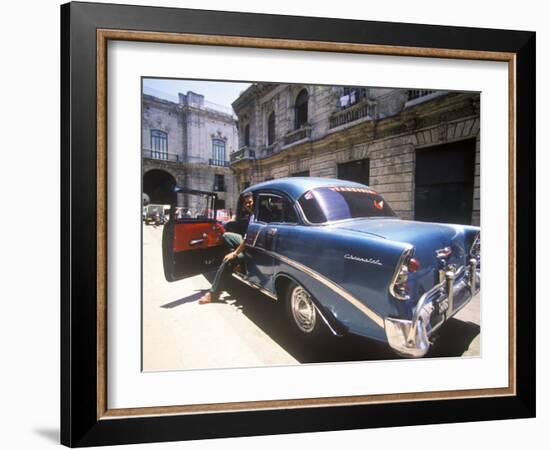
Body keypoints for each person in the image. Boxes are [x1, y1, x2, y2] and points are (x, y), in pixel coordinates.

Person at [198, 192, 254, 304]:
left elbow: (247, 239)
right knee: (226, 235)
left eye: (250, 201)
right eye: (246, 203)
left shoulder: (255, 217)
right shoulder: (252, 215)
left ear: (254, 201)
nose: (248, 204)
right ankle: (238, 263)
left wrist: (235, 253)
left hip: (253, 248)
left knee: (228, 260)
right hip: (249, 243)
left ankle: (213, 293)